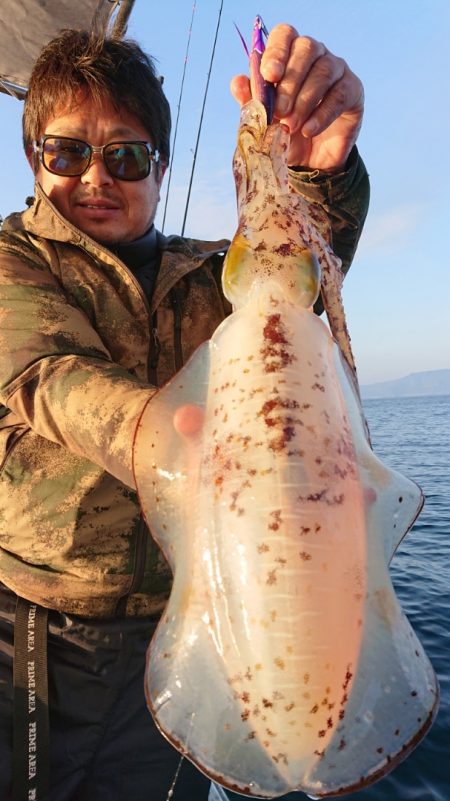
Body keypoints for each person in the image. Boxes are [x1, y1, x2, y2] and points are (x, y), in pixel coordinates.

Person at [0, 22, 369, 801]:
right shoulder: (11, 262)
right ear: (34, 160)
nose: (96, 177)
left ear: (160, 169)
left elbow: (297, 278)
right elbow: (47, 374)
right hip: (35, 632)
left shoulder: (213, 281)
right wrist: (166, 441)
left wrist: (319, 176)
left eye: (126, 155)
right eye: (68, 152)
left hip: (184, 629)